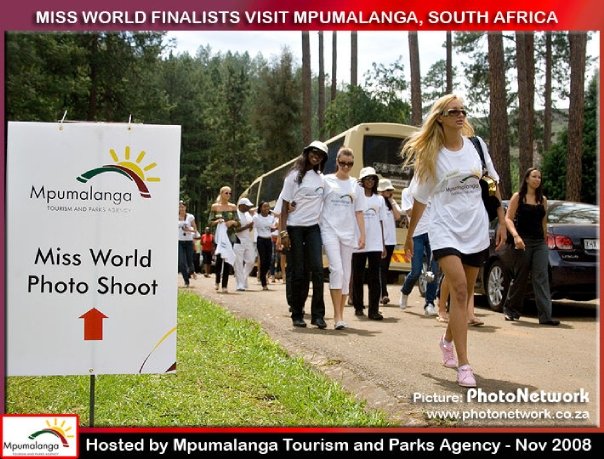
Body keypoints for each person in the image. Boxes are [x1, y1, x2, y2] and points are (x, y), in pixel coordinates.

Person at [402, 94, 507, 388]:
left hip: (475, 227)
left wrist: (501, 219)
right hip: (444, 228)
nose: (460, 115)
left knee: (464, 294)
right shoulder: (431, 155)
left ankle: (447, 340)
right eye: (453, 111)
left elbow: (491, 183)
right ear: (440, 118)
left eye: (463, 110)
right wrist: (410, 237)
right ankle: (464, 365)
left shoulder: (476, 146)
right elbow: (421, 200)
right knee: (459, 289)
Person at [277, 140, 328, 329]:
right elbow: (284, 206)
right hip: (295, 228)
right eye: (314, 152)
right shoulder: (293, 176)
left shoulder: (321, 179)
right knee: (298, 272)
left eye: (320, 155)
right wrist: (283, 232)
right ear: (307, 153)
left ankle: (318, 315)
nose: (316, 156)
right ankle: (297, 314)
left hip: (313, 228)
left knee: (318, 270)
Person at [503, 168, 561, 326]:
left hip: (539, 243)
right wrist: (516, 236)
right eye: (534, 176)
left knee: (541, 277)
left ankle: (545, 316)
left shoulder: (542, 199)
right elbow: (508, 218)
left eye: (539, 177)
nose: (537, 179)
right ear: (527, 179)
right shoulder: (518, 197)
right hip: (523, 241)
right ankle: (511, 310)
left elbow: (543, 222)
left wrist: (545, 241)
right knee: (520, 277)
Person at [320, 147, 366, 329]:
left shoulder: (356, 185)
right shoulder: (326, 181)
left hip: (349, 232)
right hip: (329, 229)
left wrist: (363, 234)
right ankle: (336, 315)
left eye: (350, 164)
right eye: (343, 163)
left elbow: (359, 211)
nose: (346, 167)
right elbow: (316, 202)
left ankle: (340, 314)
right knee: (337, 270)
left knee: (346, 274)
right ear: (337, 162)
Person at [351, 167, 387, 320]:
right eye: (367, 179)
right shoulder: (355, 198)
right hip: (359, 242)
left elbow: (381, 221)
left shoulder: (379, 199)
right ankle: (358, 306)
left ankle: (374, 310)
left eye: (372, 179)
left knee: (374, 278)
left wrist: (383, 244)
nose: (370, 181)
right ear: (362, 181)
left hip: (375, 243)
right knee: (358, 276)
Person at [398, 184, 439, 316]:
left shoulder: (431, 189)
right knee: (416, 271)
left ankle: (430, 303)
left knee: (433, 271)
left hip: (432, 233)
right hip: (416, 234)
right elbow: (409, 212)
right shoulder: (407, 192)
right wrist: (422, 202)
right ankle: (405, 291)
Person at [209, 186, 240, 293]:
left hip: (230, 236)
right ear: (221, 193)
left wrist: (232, 222)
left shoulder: (233, 207)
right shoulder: (215, 207)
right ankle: (217, 280)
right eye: (226, 193)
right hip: (219, 237)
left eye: (230, 193)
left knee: (227, 259)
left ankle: (225, 285)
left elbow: (238, 222)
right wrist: (217, 221)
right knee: (219, 259)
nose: (228, 195)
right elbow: (210, 222)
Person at [377, 178, 401, 305]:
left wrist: (391, 201)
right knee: (381, 268)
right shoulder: (378, 201)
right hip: (381, 240)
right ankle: (383, 294)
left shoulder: (391, 203)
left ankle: (382, 294)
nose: (389, 192)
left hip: (391, 240)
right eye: (387, 190)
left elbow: (398, 216)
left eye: (390, 190)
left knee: (385, 268)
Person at [233, 197, 257, 291]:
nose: (248, 207)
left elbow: (250, 228)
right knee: (238, 263)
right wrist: (247, 226)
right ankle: (240, 284)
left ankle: (243, 277)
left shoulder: (248, 214)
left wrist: (250, 227)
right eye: (247, 206)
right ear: (241, 206)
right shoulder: (235, 214)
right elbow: (235, 230)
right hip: (238, 240)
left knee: (251, 260)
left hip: (248, 240)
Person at [253, 201, 277, 291]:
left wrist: (275, 228)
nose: (266, 208)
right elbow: (251, 212)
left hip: (268, 240)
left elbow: (271, 228)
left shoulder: (271, 217)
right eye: (264, 207)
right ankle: (263, 282)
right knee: (263, 260)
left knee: (269, 260)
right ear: (260, 208)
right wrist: (257, 209)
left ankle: (263, 274)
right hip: (260, 239)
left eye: (268, 207)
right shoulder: (256, 217)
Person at [178, 201, 198, 287]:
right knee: (181, 262)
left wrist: (188, 230)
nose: (181, 208)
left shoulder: (190, 217)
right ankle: (186, 281)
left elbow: (195, 230)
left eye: (183, 206)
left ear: (186, 207)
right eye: (180, 207)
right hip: (179, 241)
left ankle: (192, 271)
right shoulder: (174, 216)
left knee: (190, 261)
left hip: (189, 241)